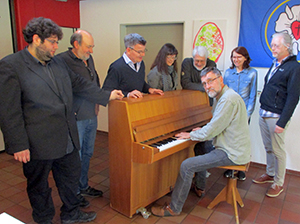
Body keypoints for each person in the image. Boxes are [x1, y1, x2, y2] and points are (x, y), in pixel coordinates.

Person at [0, 17, 123, 224]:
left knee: (69, 179)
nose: (57, 47)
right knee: (39, 186)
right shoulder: (11, 65)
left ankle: (71, 214)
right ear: (37, 39)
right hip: (37, 141)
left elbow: (80, 84)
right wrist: (19, 145)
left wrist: (106, 95)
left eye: (57, 42)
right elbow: (8, 109)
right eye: (53, 42)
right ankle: (44, 218)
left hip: (66, 136)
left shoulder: (58, 62)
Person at [151, 67, 251, 217]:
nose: (207, 86)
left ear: (220, 79)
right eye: (204, 83)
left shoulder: (228, 100)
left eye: (210, 81)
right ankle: (200, 187)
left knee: (187, 165)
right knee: (200, 146)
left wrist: (191, 134)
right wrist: (201, 130)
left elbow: (212, 130)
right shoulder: (224, 96)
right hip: (232, 147)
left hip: (231, 152)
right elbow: (216, 124)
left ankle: (174, 208)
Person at [56, 30, 103, 206]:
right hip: (76, 118)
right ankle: (74, 193)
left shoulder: (88, 58)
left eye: (92, 47)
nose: (91, 51)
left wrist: (97, 104)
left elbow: (94, 80)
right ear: (76, 44)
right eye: (88, 46)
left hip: (91, 115)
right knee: (76, 156)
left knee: (88, 153)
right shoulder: (61, 60)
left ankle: (83, 186)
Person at [252, 33, 300, 197]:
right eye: (272, 45)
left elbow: (293, 97)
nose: (272, 48)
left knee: (278, 151)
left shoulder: (294, 67)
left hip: (276, 117)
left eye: (276, 45)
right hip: (264, 112)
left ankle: (278, 183)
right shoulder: (275, 64)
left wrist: (282, 122)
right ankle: (270, 173)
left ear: (287, 46)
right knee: (268, 147)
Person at [223, 46, 257, 181]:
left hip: (243, 113)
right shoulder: (227, 73)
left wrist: (247, 115)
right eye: (233, 57)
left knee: (241, 142)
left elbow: (253, 96)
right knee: (228, 141)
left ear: (245, 58)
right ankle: (229, 168)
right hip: (229, 112)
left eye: (238, 57)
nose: (236, 59)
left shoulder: (252, 73)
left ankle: (241, 168)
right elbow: (223, 94)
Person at [102, 33, 164, 98]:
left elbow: (139, 82)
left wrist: (149, 89)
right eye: (139, 52)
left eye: (144, 51)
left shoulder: (141, 63)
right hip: (121, 106)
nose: (143, 54)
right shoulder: (116, 67)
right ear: (128, 50)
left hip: (136, 105)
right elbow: (107, 90)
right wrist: (128, 94)